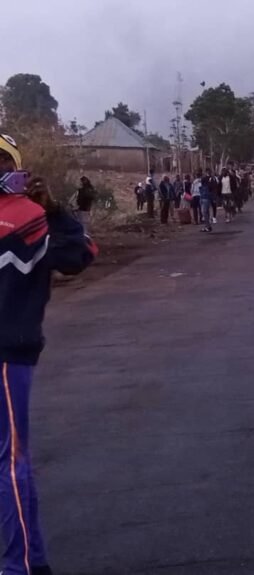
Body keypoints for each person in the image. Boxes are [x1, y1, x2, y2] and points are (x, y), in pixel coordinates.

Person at [0, 134, 97, 575]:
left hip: (7, 353)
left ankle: (19, 564)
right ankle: (29, 560)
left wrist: (54, 212)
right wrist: (54, 212)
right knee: (11, 462)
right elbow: (81, 253)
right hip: (12, 352)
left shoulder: (27, 218)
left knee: (9, 463)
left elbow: (79, 256)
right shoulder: (32, 216)